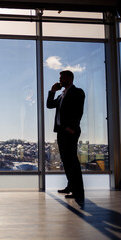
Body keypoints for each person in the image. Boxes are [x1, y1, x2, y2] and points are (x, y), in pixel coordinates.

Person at [47, 70, 85, 200]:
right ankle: (71, 186)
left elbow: (79, 111)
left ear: (69, 78)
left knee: (72, 161)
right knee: (66, 161)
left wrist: (72, 128)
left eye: (62, 78)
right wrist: (52, 91)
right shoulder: (61, 95)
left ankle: (78, 191)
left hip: (70, 131)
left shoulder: (77, 92)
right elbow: (49, 105)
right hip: (61, 131)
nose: (60, 80)